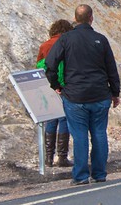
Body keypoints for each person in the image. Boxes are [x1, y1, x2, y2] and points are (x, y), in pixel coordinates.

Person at [46, 5, 121, 186]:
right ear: (91, 18)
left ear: (75, 18)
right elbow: (112, 69)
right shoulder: (100, 40)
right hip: (100, 94)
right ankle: (99, 173)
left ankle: (80, 176)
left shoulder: (66, 39)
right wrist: (115, 92)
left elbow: (50, 64)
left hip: (75, 95)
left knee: (79, 135)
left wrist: (56, 85)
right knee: (99, 133)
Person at [36, 19, 73, 168]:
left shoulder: (45, 45)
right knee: (64, 119)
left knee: (51, 119)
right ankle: (62, 157)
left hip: (48, 85)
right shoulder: (67, 43)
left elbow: (39, 65)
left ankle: (48, 158)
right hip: (64, 85)